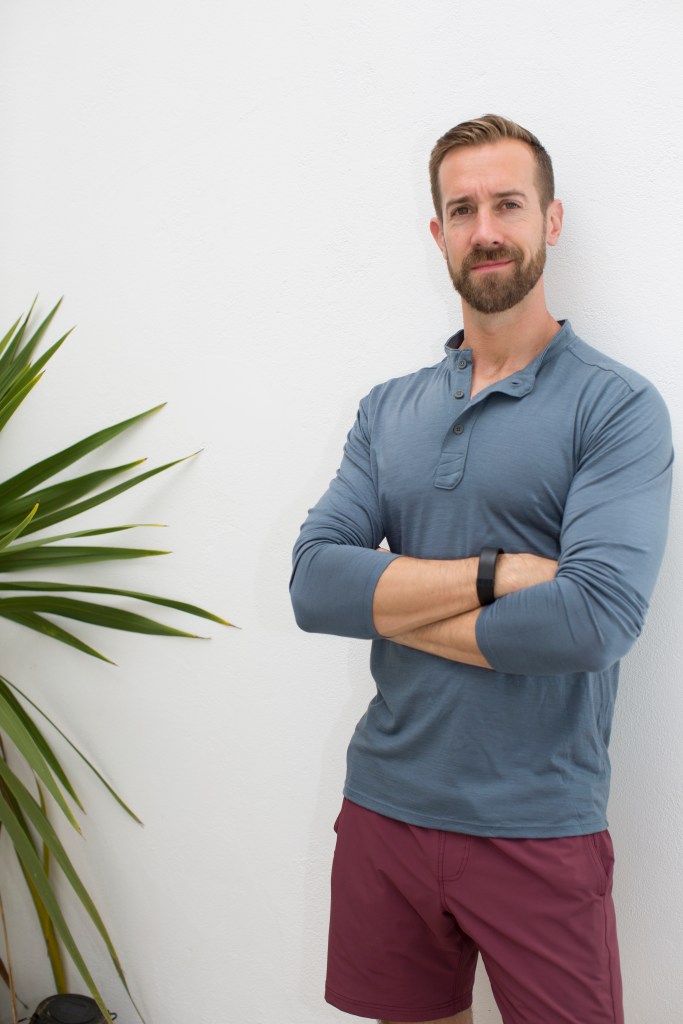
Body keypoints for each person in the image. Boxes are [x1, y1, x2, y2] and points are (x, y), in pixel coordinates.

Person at [289, 114, 673, 1024]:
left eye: (507, 203)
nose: (485, 229)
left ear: (550, 220)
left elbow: (590, 624)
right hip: (385, 804)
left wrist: (390, 601)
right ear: (437, 235)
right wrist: (498, 575)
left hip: (537, 824)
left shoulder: (616, 407)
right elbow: (312, 586)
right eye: (461, 209)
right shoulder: (388, 411)